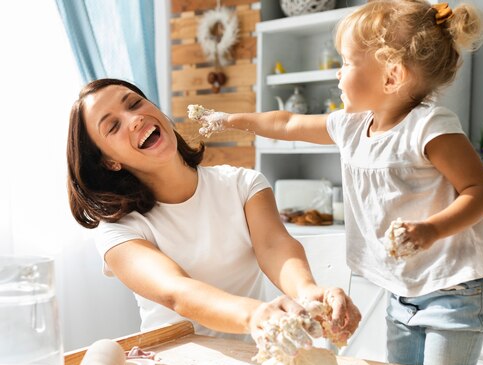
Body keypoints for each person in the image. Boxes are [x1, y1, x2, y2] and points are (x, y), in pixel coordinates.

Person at [190, 0, 483, 365]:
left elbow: (481, 192)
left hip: (456, 287)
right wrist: (231, 119)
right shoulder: (351, 125)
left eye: (347, 63)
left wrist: (431, 230)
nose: (338, 76)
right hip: (403, 289)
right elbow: (288, 122)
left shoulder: (430, 127)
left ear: (391, 77)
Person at [65, 78, 361, 345]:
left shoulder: (243, 184)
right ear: (110, 162)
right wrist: (254, 315)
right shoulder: (118, 230)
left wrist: (306, 290)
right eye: (113, 126)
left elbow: (274, 246)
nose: (134, 118)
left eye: (135, 104)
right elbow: (177, 291)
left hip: (251, 360)